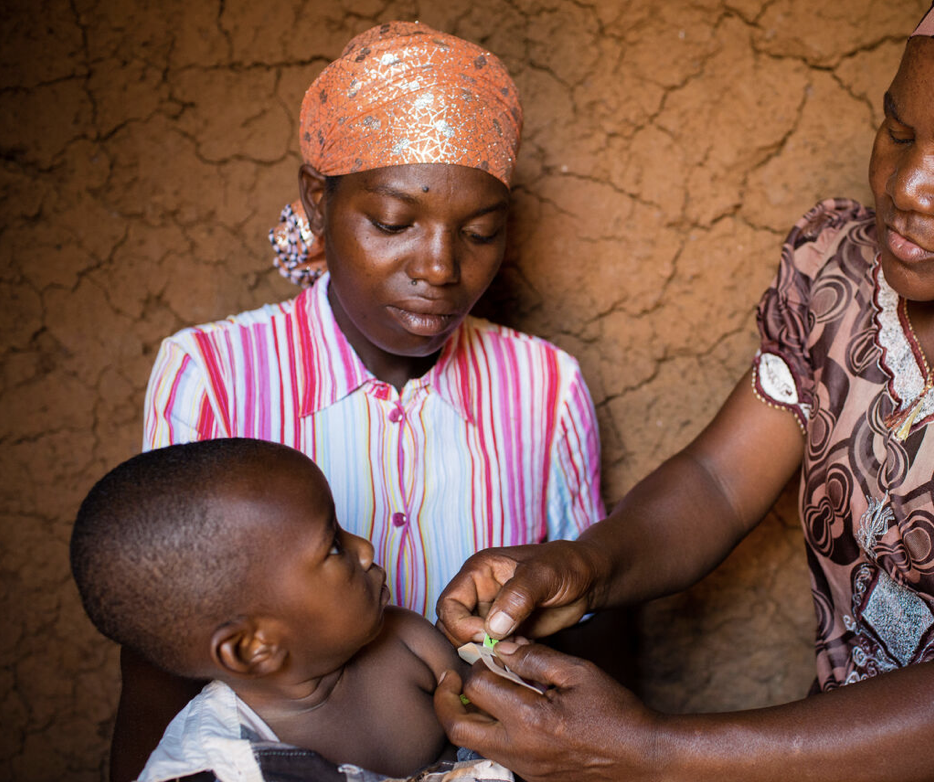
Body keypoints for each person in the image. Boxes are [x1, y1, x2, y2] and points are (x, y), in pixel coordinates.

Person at [434, 1, 934, 779]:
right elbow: (716, 484)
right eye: (897, 131)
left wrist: (648, 751)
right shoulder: (843, 272)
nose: (907, 186)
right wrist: (583, 567)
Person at [114, 21, 605, 782]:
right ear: (318, 201)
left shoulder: (546, 385)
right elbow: (161, 656)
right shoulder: (209, 374)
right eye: (393, 224)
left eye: (480, 232)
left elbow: (592, 626)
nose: (440, 268)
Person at [72, 438, 513, 782]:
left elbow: (501, 703)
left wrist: (497, 642)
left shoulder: (405, 640)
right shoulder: (217, 765)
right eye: (334, 546)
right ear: (254, 647)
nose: (365, 549)